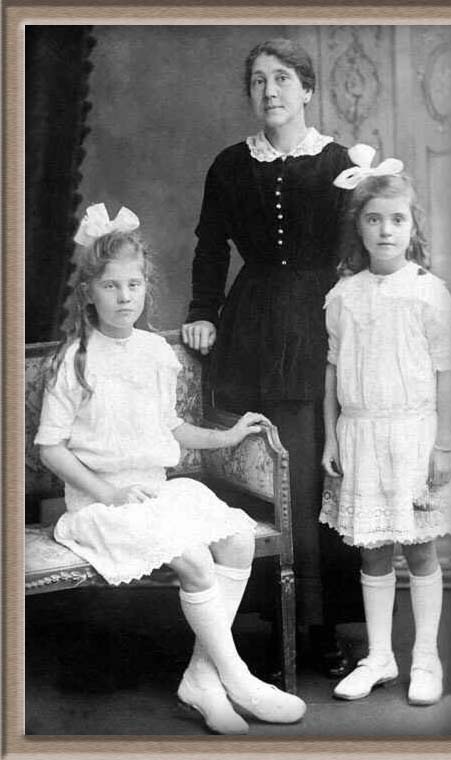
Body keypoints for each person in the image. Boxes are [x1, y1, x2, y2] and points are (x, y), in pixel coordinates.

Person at [34, 203, 306, 735]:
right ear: (89, 292)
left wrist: (226, 436)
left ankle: (202, 679)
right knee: (194, 559)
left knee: (237, 540)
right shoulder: (75, 359)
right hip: (100, 507)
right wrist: (109, 495)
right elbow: (51, 449)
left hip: (155, 493)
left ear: (145, 289)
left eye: (133, 285)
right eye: (111, 286)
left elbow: (172, 427)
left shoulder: (156, 352)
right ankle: (238, 678)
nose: (124, 297)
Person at [182, 37, 363, 677]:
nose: (270, 91)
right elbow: (210, 246)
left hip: (318, 325)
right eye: (259, 80)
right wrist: (202, 312)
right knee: (256, 472)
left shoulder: (341, 164)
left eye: (283, 78)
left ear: (307, 89)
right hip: (251, 327)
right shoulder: (231, 165)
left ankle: (318, 626)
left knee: (311, 472)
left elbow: (362, 248)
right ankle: (255, 618)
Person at [319, 144, 451, 705]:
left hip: (414, 435)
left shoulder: (428, 291)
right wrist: (331, 437)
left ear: (412, 227)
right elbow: (333, 372)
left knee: (420, 549)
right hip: (360, 435)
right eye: (374, 219)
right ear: (358, 227)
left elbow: (449, 371)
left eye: (397, 220)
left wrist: (443, 445)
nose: (385, 230)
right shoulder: (343, 295)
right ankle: (379, 656)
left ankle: (426, 658)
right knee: (373, 549)